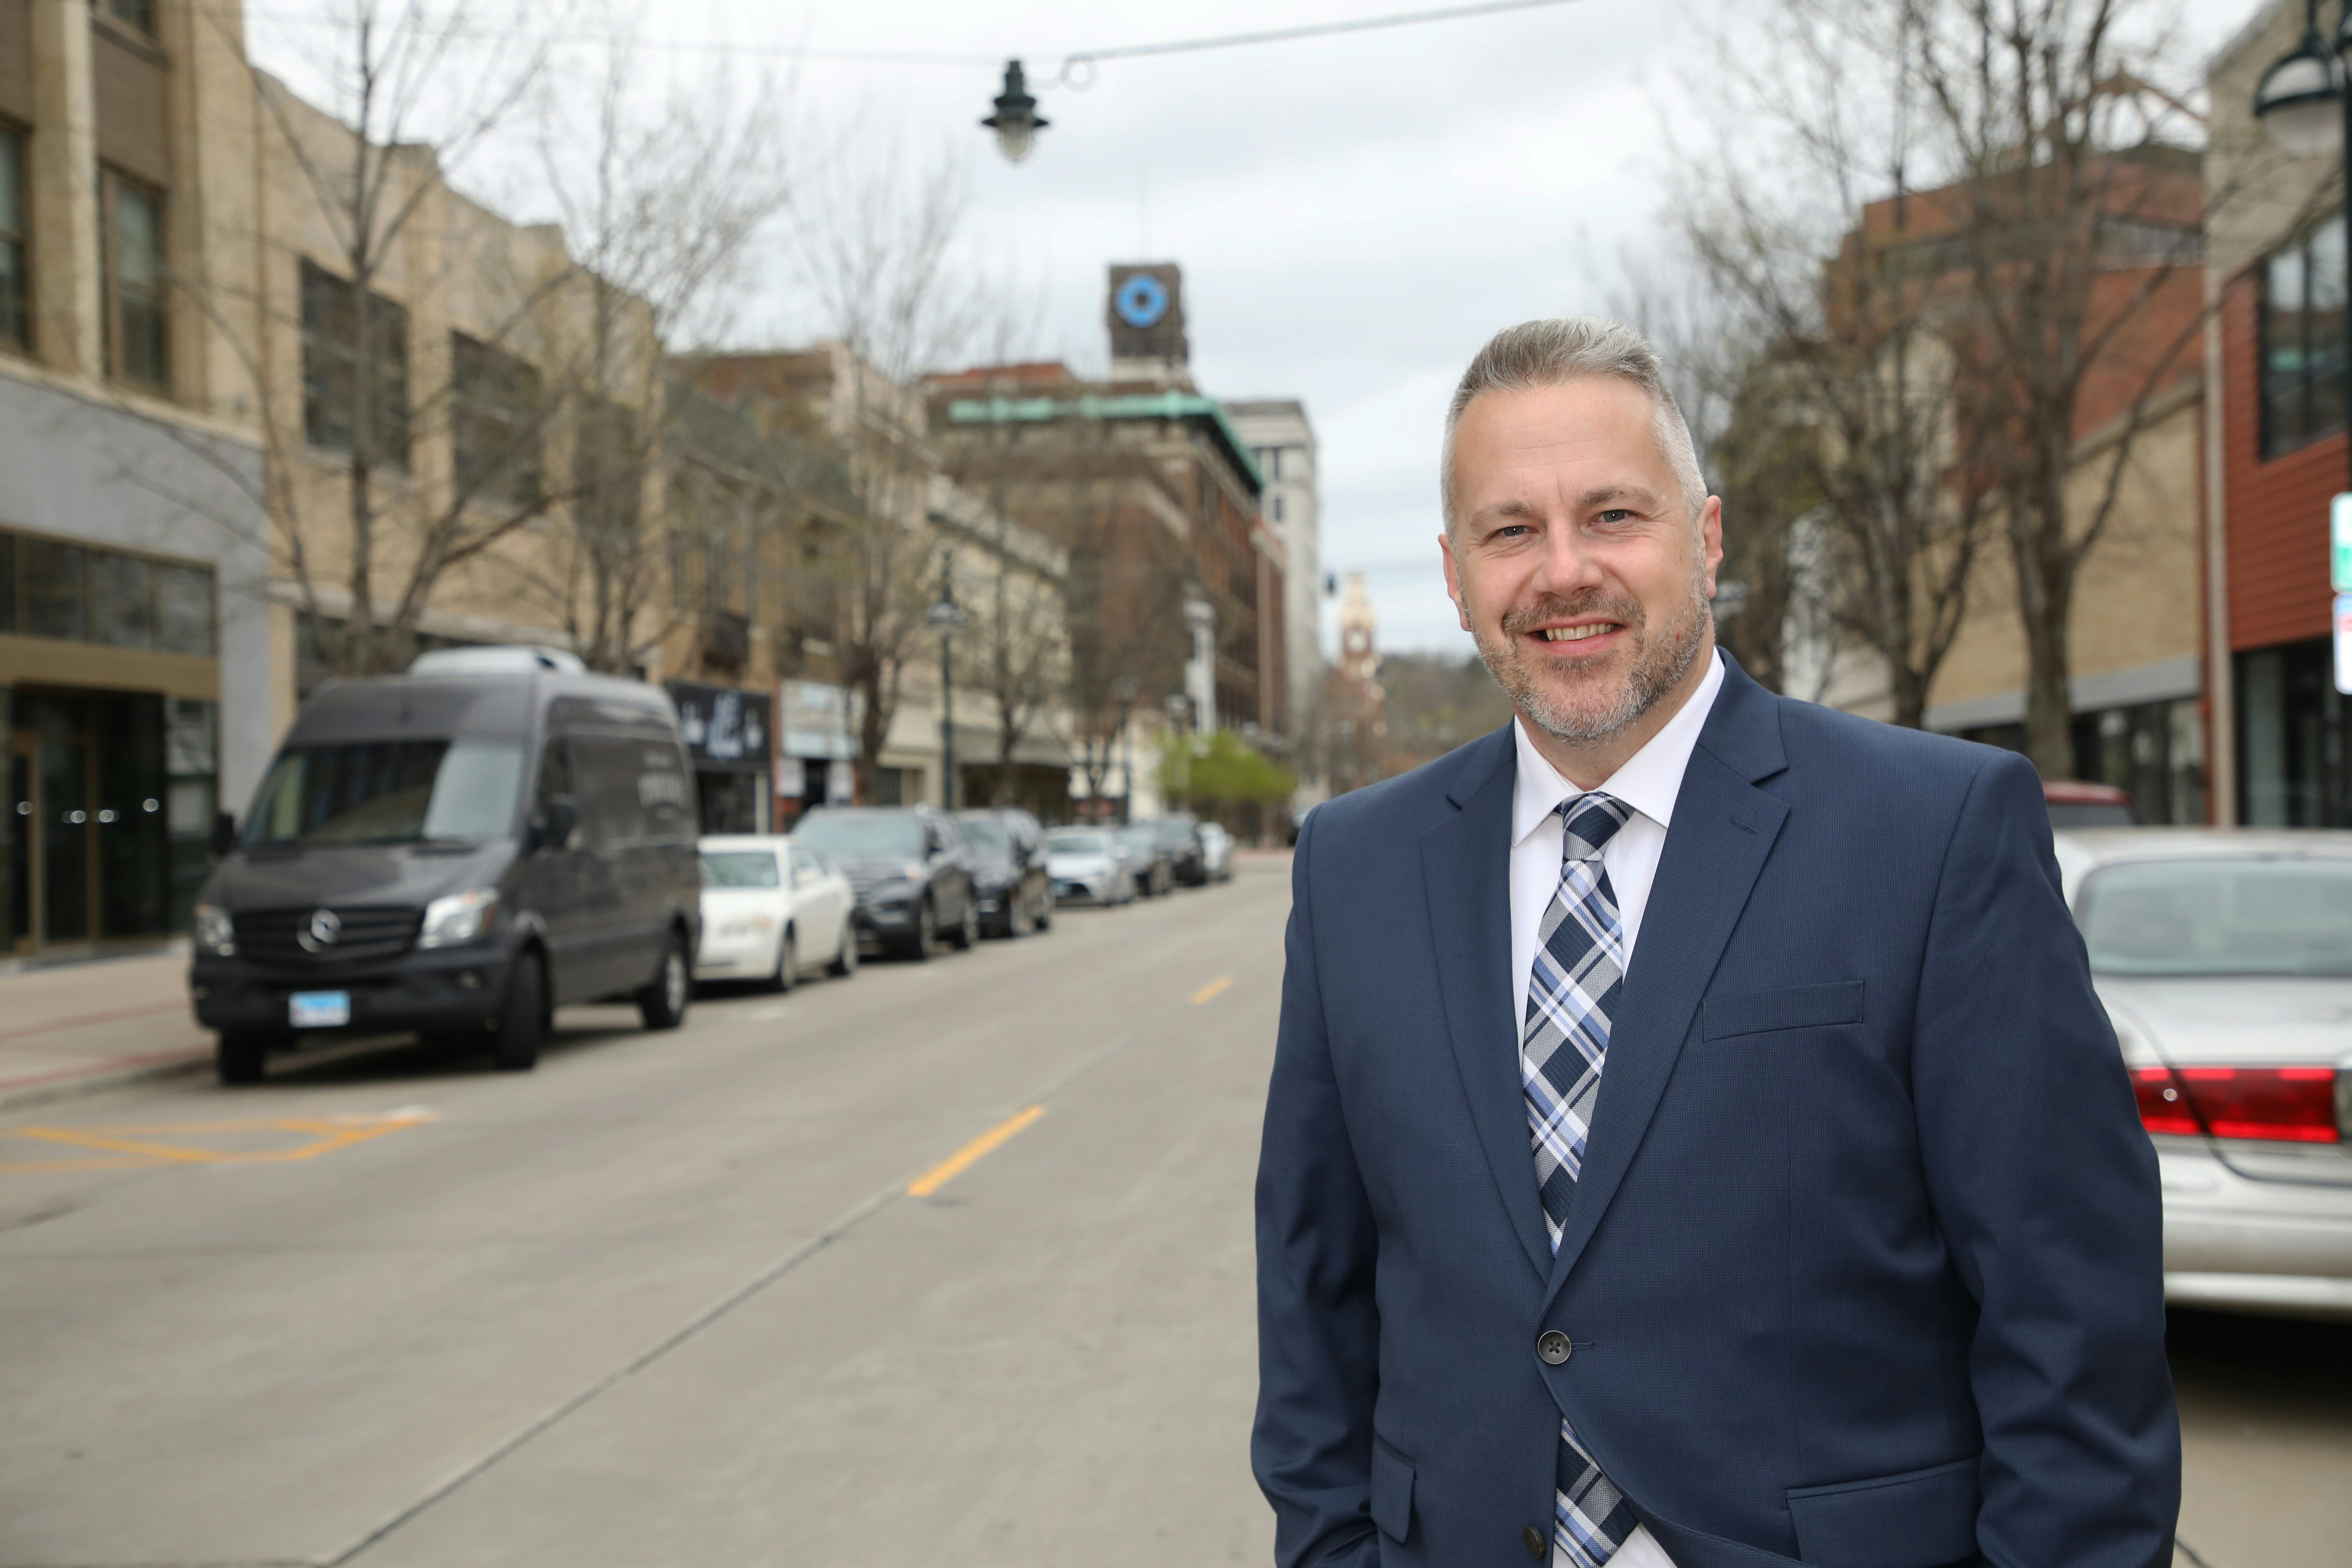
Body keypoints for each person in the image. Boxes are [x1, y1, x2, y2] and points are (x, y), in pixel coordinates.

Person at [1252, 318, 2177, 1568]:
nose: (1563, 572)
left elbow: (2071, 1318)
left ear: (1709, 537)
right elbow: (1315, 1288)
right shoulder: (1357, 866)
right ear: (1458, 574)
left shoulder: (1936, 831)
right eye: (1511, 529)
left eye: (1614, 516)